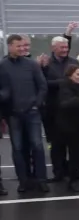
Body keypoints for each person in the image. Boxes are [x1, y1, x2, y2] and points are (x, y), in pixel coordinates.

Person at [0, 34, 49, 193]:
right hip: (13, 114)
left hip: (32, 113)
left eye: (23, 46)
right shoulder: (2, 65)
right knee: (18, 148)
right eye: (18, 46)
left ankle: (41, 179)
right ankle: (23, 181)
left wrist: (37, 104)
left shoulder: (32, 64)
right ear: (10, 46)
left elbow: (42, 86)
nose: (22, 49)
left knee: (37, 146)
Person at [42, 36, 79, 182]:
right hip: (54, 110)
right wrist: (64, 82)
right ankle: (59, 172)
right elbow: (43, 83)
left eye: (66, 47)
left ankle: (75, 171)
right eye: (62, 47)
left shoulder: (74, 62)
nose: (65, 50)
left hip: (73, 109)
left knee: (76, 144)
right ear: (54, 48)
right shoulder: (46, 64)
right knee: (57, 144)